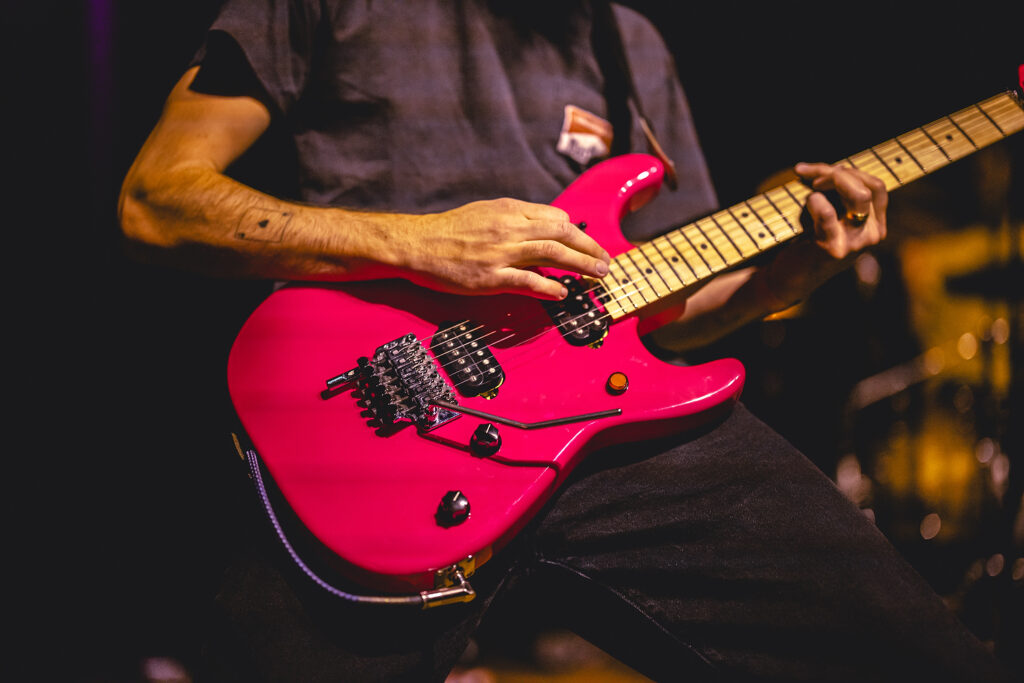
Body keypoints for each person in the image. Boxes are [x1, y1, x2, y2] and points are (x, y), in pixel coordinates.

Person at [118, 2, 1013, 681]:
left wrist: (779, 282)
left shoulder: (630, 43)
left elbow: (659, 304)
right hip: (377, 427)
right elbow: (158, 200)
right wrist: (419, 242)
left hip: (604, 434)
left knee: (920, 657)